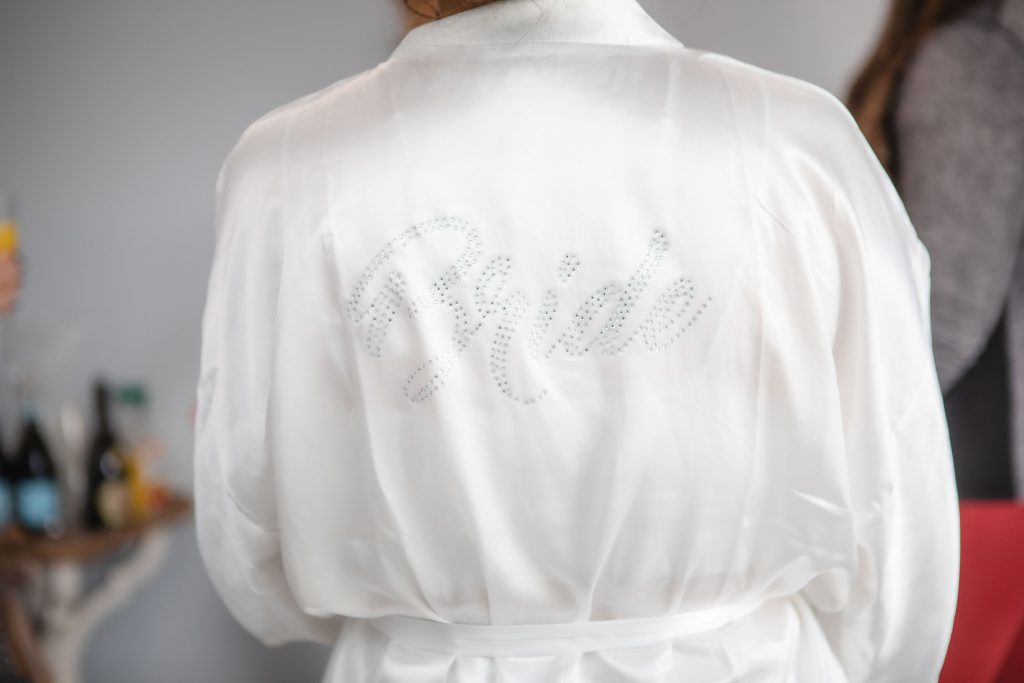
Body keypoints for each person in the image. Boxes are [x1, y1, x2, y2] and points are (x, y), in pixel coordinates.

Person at [193, 0, 960, 680]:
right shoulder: (799, 145)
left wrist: (422, 627)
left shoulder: (283, 167)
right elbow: (897, 514)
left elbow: (246, 532)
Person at [848, 0, 1024, 499]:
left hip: (973, 479)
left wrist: (835, 445)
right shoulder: (978, 53)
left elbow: (937, 320)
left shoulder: (975, 60)